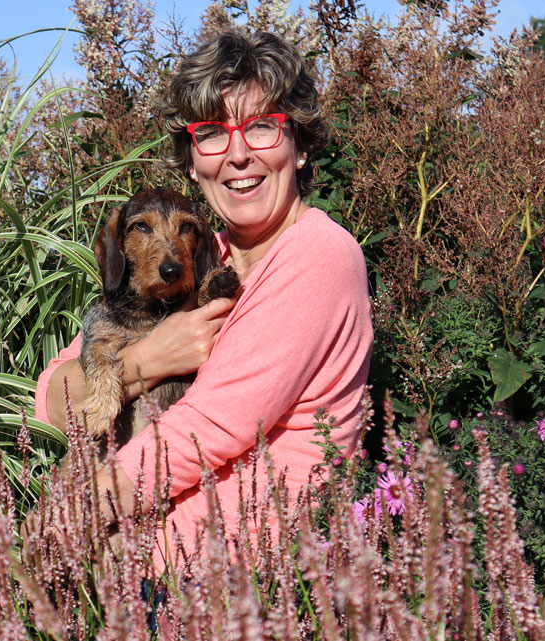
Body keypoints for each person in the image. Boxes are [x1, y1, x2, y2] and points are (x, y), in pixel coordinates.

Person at [34, 29, 373, 568]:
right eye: (213, 133)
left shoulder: (319, 254)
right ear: (193, 161)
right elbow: (52, 396)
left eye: (263, 127)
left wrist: (67, 521)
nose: (237, 155)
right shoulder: (191, 258)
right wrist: (147, 359)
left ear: (300, 147)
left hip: (246, 576)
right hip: (139, 560)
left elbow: (213, 426)